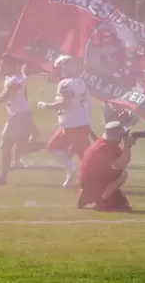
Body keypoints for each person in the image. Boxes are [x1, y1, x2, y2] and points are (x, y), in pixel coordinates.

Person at [0, 55, 44, 185]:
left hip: (18, 117)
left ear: (11, 65)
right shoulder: (14, 77)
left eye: (4, 64)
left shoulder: (15, 80)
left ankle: (49, 146)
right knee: (12, 148)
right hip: (17, 115)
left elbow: (3, 98)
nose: (2, 67)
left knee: (9, 147)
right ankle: (2, 177)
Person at [37, 55, 92, 188]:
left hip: (71, 126)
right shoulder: (80, 81)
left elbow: (63, 103)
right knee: (87, 157)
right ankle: (93, 180)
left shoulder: (66, 83)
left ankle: (72, 171)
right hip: (81, 124)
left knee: (52, 147)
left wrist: (45, 105)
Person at [77, 121, 134, 212]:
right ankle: (100, 200)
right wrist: (128, 146)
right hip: (93, 182)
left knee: (121, 203)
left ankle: (87, 195)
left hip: (88, 180)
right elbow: (121, 165)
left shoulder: (102, 143)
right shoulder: (106, 147)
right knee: (123, 175)